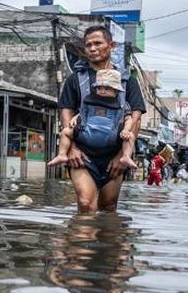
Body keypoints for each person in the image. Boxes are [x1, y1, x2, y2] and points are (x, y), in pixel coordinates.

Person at [57, 26, 146, 213]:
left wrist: (122, 156)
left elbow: (136, 117)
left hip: (114, 155)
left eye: (98, 43)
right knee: (86, 204)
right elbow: (66, 112)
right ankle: (78, 241)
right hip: (82, 154)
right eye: (88, 44)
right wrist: (71, 148)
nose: (92, 48)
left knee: (108, 206)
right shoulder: (75, 79)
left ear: (111, 46)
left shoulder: (127, 79)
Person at [48, 68, 135, 168]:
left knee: (130, 136)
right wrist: (75, 118)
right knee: (65, 132)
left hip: (112, 135)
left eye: (106, 88)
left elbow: (129, 119)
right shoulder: (89, 100)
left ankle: (126, 156)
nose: (102, 91)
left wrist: (126, 130)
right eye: (99, 88)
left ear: (116, 91)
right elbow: (83, 113)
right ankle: (62, 155)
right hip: (87, 133)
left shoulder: (122, 105)